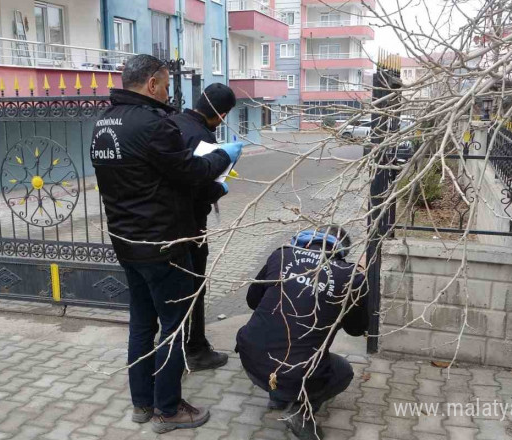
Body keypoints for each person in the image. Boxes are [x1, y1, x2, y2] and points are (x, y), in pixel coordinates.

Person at [89, 54, 244, 434]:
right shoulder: (153, 125)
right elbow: (192, 172)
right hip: (164, 245)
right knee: (173, 328)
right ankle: (168, 409)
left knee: (141, 324)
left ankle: (142, 403)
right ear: (153, 83)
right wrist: (225, 155)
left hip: (126, 242)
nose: (168, 91)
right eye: (166, 83)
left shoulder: (103, 124)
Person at [235, 225, 370, 440]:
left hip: (250, 357)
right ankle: (301, 412)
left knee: (281, 342)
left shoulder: (281, 255)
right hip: (295, 370)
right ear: (343, 251)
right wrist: (359, 280)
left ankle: (278, 396)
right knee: (343, 371)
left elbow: (253, 301)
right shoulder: (350, 276)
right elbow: (356, 329)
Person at [169, 83, 237, 371]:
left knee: (173, 290)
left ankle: (176, 345)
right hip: (191, 225)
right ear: (221, 114)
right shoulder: (202, 136)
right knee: (195, 288)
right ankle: (194, 349)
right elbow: (199, 185)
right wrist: (222, 188)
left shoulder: (171, 123)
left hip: (162, 225)